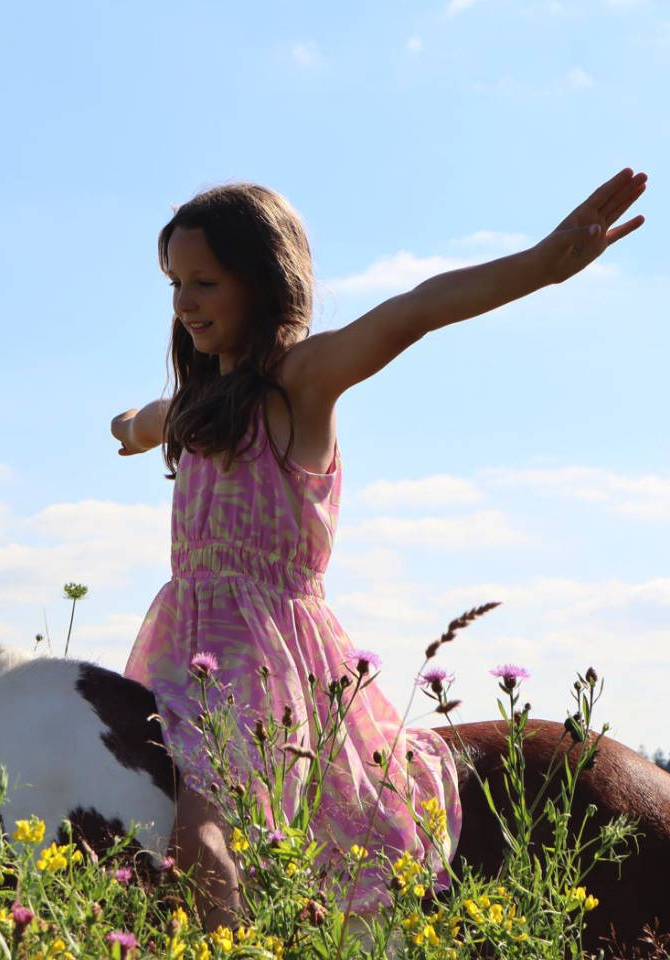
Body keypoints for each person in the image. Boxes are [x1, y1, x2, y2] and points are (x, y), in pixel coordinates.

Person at [111, 169, 647, 928]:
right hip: (178, 650)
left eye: (203, 282)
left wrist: (540, 264)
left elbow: (415, 311)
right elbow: (142, 422)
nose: (184, 303)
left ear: (261, 283)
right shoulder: (196, 412)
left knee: (203, 829)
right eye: (173, 284)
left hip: (265, 664)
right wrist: (128, 426)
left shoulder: (300, 383)